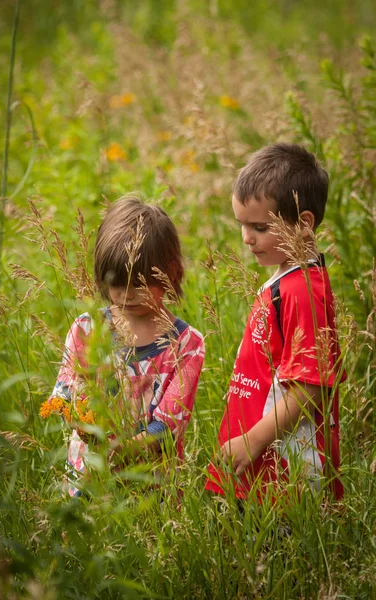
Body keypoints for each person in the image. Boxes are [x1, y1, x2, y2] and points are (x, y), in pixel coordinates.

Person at [206, 143, 345, 501]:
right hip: (261, 460)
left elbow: (313, 387)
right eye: (242, 224)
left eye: (260, 227)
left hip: (285, 467)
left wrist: (254, 439)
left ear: (303, 223)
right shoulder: (287, 277)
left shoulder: (302, 292)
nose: (247, 238)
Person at [47, 195, 205, 498]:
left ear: (169, 272)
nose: (127, 295)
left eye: (140, 284)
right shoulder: (86, 329)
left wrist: (119, 451)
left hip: (151, 488)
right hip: (88, 482)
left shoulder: (187, 346)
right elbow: (63, 394)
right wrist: (87, 428)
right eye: (117, 284)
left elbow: (168, 426)